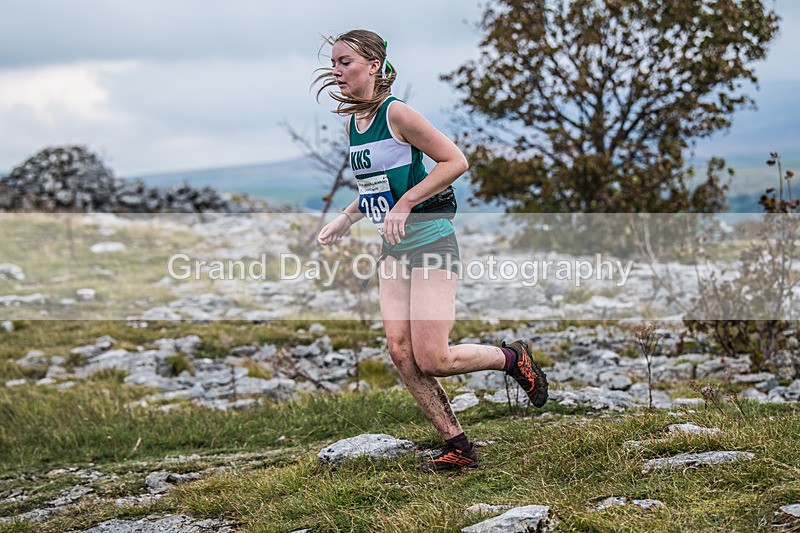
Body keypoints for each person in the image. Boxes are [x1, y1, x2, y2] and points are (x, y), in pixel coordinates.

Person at [315, 29, 548, 472]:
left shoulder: (397, 113)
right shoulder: (354, 123)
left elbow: (455, 161)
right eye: (334, 63)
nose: (336, 70)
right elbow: (377, 186)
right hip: (393, 249)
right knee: (400, 352)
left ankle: (512, 358)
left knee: (434, 358)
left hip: (431, 240)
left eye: (346, 62)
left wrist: (406, 204)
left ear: (374, 65)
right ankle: (458, 447)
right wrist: (346, 217)